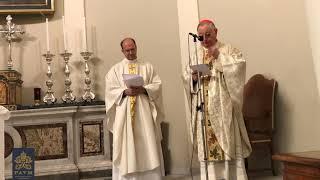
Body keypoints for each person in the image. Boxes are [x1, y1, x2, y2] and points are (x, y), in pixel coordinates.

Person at [183, 19, 252, 179]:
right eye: (201, 37)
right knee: (208, 147)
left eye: (208, 35)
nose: (205, 40)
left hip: (222, 106)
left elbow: (239, 66)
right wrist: (192, 77)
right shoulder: (196, 54)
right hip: (203, 107)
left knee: (225, 143)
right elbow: (186, 75)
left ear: (216, 32)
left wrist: (220, 57)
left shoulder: (228, 49)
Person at [105, 38, 165, 180]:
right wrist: (124, 92)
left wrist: (144, 89)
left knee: (148, 141)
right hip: (124, 114)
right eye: (127, 50)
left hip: (144, 113)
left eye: (133, 49)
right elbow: (110, 90)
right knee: (126, 144)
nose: (131, 52)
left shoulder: (147, 67)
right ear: (122, 51)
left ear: (136, 47)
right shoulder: (115, 69)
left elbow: (157, 85)